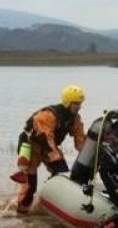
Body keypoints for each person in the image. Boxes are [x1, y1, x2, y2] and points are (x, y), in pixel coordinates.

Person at [12, 85, 86, 214]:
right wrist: (54, 156)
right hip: (32, 146)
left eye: (80, 104)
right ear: (68, 102)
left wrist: (92, 154)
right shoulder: (48, 115)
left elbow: (80, 142)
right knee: (30, 187)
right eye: (76, 104)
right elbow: (46, 138)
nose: (79, 106)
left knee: (63, 175)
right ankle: (22, 213)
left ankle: (53, 202)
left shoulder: (75, 119)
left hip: (49, 147)